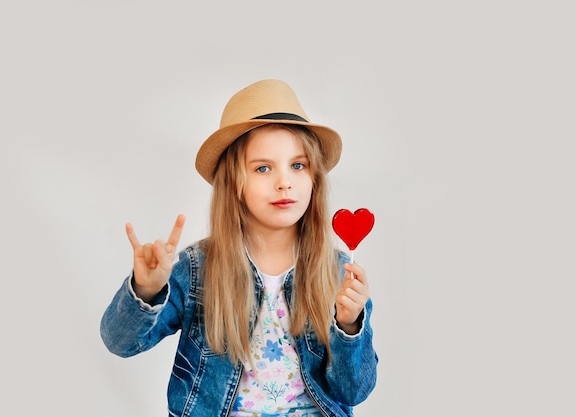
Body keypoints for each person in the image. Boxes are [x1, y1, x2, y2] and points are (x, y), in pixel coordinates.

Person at [100, 79, 378, 416]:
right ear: (234, 183)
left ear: (314, 179)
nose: (284, 181)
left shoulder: (336, 271)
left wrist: (349, 327)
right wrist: (145, 289)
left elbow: (353, 391)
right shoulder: (197, 269)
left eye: (298, 165)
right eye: (263, 168)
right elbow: (120, 343)